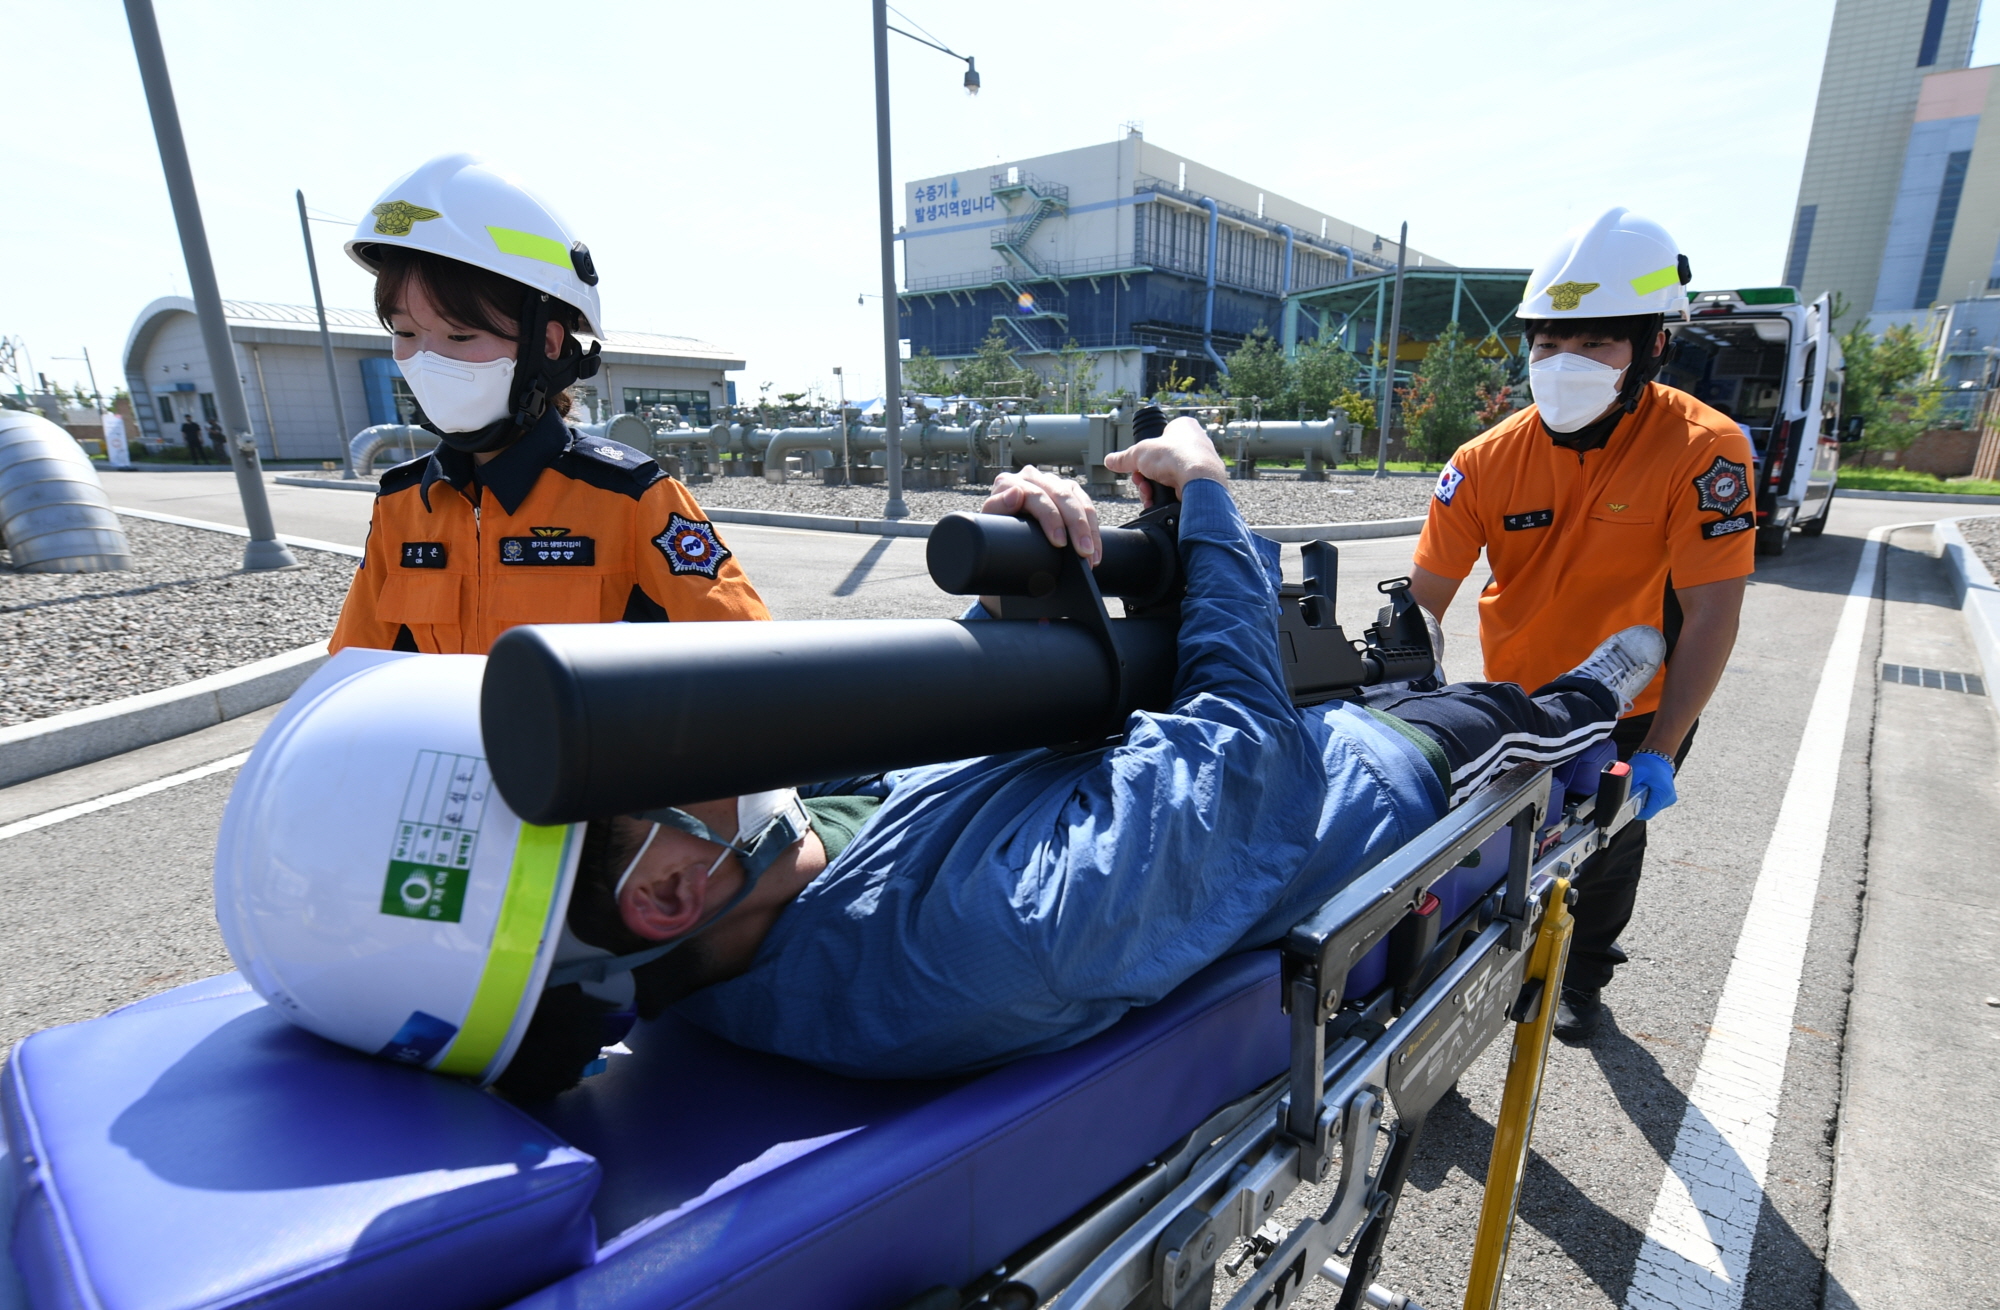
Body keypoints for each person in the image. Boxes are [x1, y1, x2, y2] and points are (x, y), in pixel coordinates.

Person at [217, 418, 1666, 1098]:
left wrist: (1029, 589)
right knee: (1524, 713)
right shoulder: (970, 946)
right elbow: (1249, 771)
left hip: (1141, 748)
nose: (703, 724)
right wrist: (1211, 498)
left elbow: (954, 770)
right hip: (1364, 773)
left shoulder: (748, 877)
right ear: (661, 890)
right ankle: (1609, 690)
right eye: (655, 749)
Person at [1405, 206, 1754, 1041]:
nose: (1565, 364)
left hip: (1634, 711)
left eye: (1596, 344)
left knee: (1603, 858)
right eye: (1548, 343)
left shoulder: (1705, 451)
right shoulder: (1484, 461)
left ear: (1652, 345)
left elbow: (1713, 609)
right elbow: (1421, 603)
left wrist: (1664, 745)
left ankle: (1583, 975)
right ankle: (1445, 1010)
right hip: (1514, 710)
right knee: (1480, 859)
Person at [327, 153, 766, 655]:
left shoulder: (630, 500)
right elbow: (354, 668)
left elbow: (748, 665)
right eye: (405, 332)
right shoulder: (401, 504)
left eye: (460, 334)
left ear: (548, 344)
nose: (426, 359)